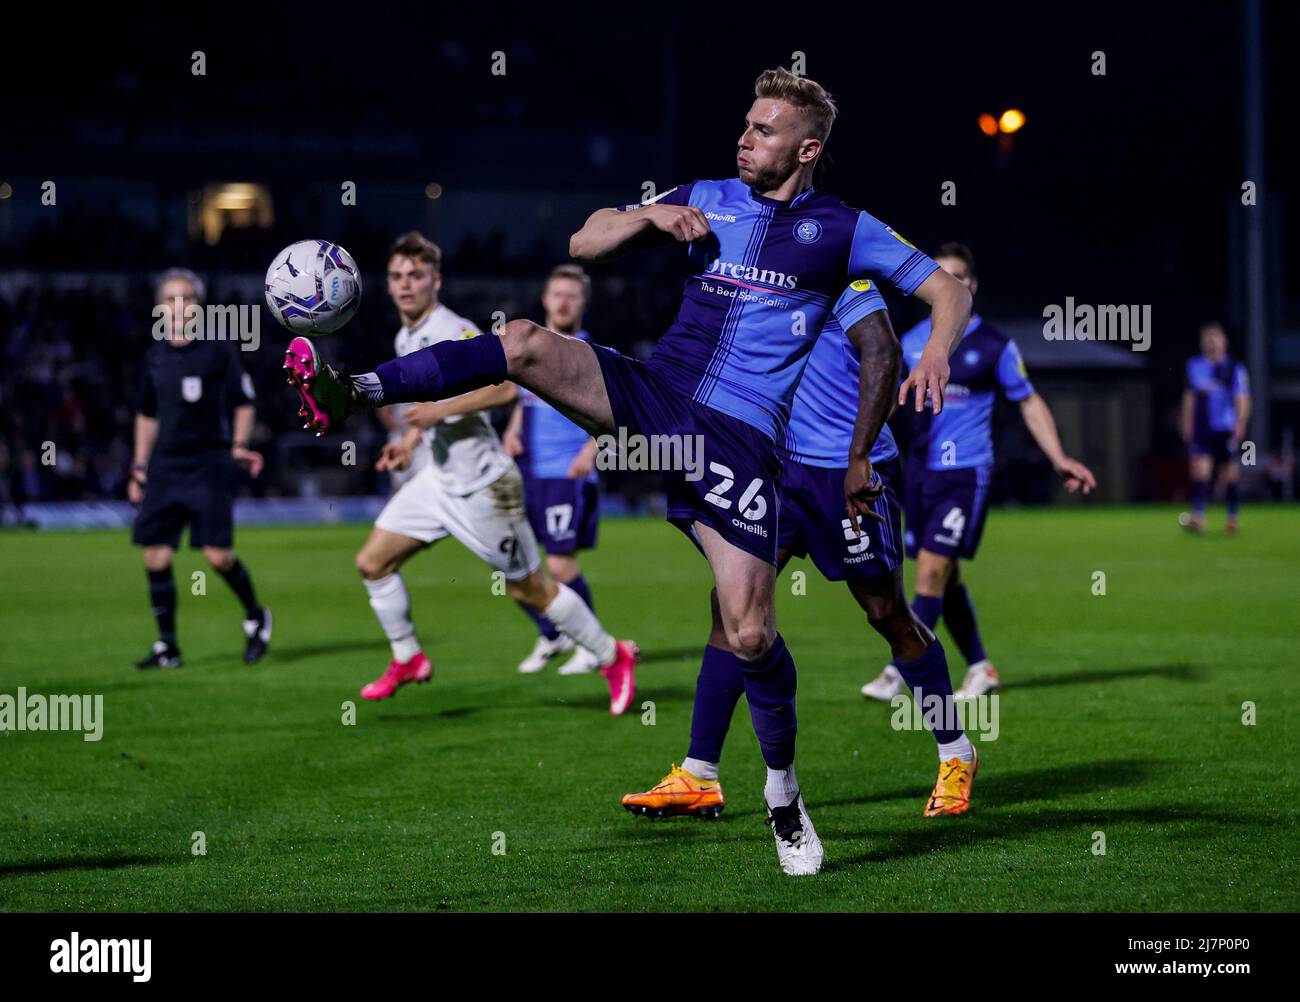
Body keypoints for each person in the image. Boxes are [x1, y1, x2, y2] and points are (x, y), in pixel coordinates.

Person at [283, 68, 971, 875]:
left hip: (743, 443)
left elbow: (943, 292)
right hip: (658, 393)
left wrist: (936, 349)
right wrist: (647, 213)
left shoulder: (844, 232)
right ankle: (353, 390)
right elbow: (583, 241)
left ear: (807, 148)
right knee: (529, 342)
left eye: (763, 129)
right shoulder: (709, 195)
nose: (744, 137)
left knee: (752, 630)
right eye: (744, 124)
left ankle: (785, 795)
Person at [349, 233, 636, 715]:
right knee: (372, 563)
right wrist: (408, 443)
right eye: (397, 276)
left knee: (532, 589)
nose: (405, 285)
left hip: (484, 486)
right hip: (438, 480)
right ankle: (408, 657)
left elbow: (505, 389)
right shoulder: (405, 336)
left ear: (435, 281)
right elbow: (427, 408)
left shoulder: (452, 327)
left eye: (416, 276)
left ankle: (613, 655)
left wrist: (438, 415)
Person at [860, 244, 1095, 702]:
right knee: (947, 580)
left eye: (958, 278)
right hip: (919, 475)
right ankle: (982, 666)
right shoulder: (909, 343)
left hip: (966, 475)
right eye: (939, 277)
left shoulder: (994, 346)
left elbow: (1027, 401)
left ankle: (897, 672)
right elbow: (883, 403)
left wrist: (1059, 457)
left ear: (972, 286)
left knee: (929, 575)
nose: (949, 286)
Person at [130, 268, 271, 668]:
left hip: (209, 464)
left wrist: (239, 445)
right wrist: (139, 466)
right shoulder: (154, 355)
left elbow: (243, 401)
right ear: (159, 307)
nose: (179, 306)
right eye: (171, 299)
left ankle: (256, 618)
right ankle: (168, 648)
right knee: (155, 557)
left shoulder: (217, 350)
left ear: (199, 305)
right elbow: (146, 414)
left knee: (217, 557)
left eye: (187, 298)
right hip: (164, 467)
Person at [502, 265, 604, 676]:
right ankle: (553, 634)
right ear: (545, 300)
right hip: (529, 475)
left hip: (568, 473)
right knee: (513, 569)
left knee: (560, 566)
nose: (563, 302)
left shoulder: (589, 353)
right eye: (556, 294)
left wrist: (592, 450)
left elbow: (614, 412)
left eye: (571, 295)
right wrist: (512, 431)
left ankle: (594, 646)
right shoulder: (531, 346)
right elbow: (523, 398)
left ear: (582, 303)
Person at [1179, 322, 1250, 534]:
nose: (1211, 342)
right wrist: (1186, 424)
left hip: (1225, 427)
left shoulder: (1234, 367)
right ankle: (1198, 517)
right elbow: (1189, 398)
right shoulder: (1194, 366)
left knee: (1229, 473)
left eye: (1215, 337)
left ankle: (1232, 517)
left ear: (1224, 342)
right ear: (1202, 343)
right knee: (1200, 471)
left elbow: (1242, 398)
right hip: (1202, 428)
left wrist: (1241, 422)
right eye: (1207, 338)